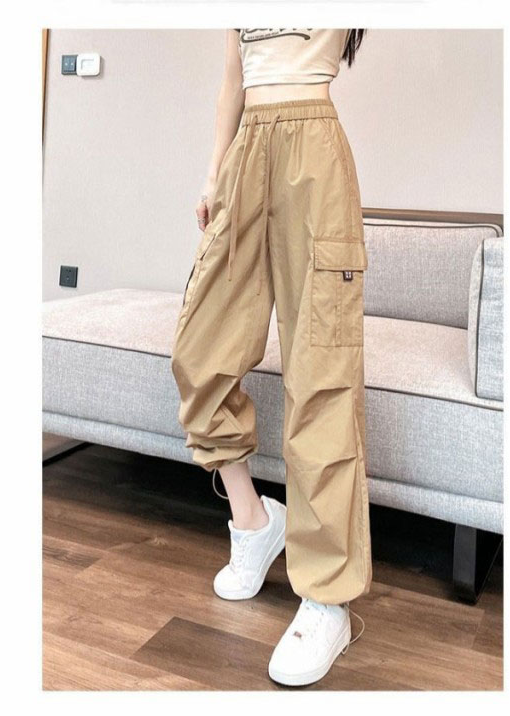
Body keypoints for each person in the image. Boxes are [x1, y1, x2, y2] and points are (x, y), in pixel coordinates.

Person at [171, 28, 371, 687]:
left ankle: (327, 598)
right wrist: (214, 175)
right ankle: (254, 521)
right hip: (245, 153)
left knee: (321, 376)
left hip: (315, 150)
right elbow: (233, 79)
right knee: (200, 352)